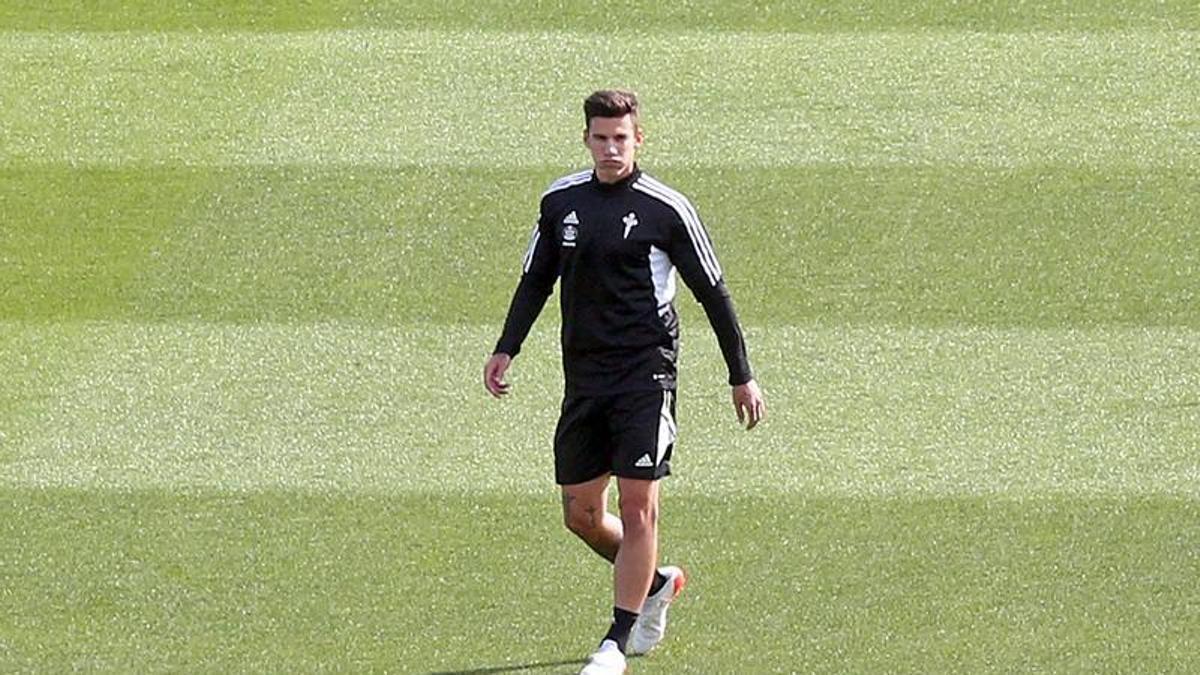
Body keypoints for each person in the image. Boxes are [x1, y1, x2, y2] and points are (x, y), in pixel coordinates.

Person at [483, 89, 765, 674]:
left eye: (621, 138)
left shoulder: (668, 209)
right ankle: (656, 582)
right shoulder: (560, 201)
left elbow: (713, 293)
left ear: (640, 139)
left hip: (646, 373)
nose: (611, 148)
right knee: (581, 516)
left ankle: (616, 641)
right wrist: (506, 347)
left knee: (639, 507)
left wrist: (742, 376)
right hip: (584, 377)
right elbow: (535, 279)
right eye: (600, 137)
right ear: (585, 139)